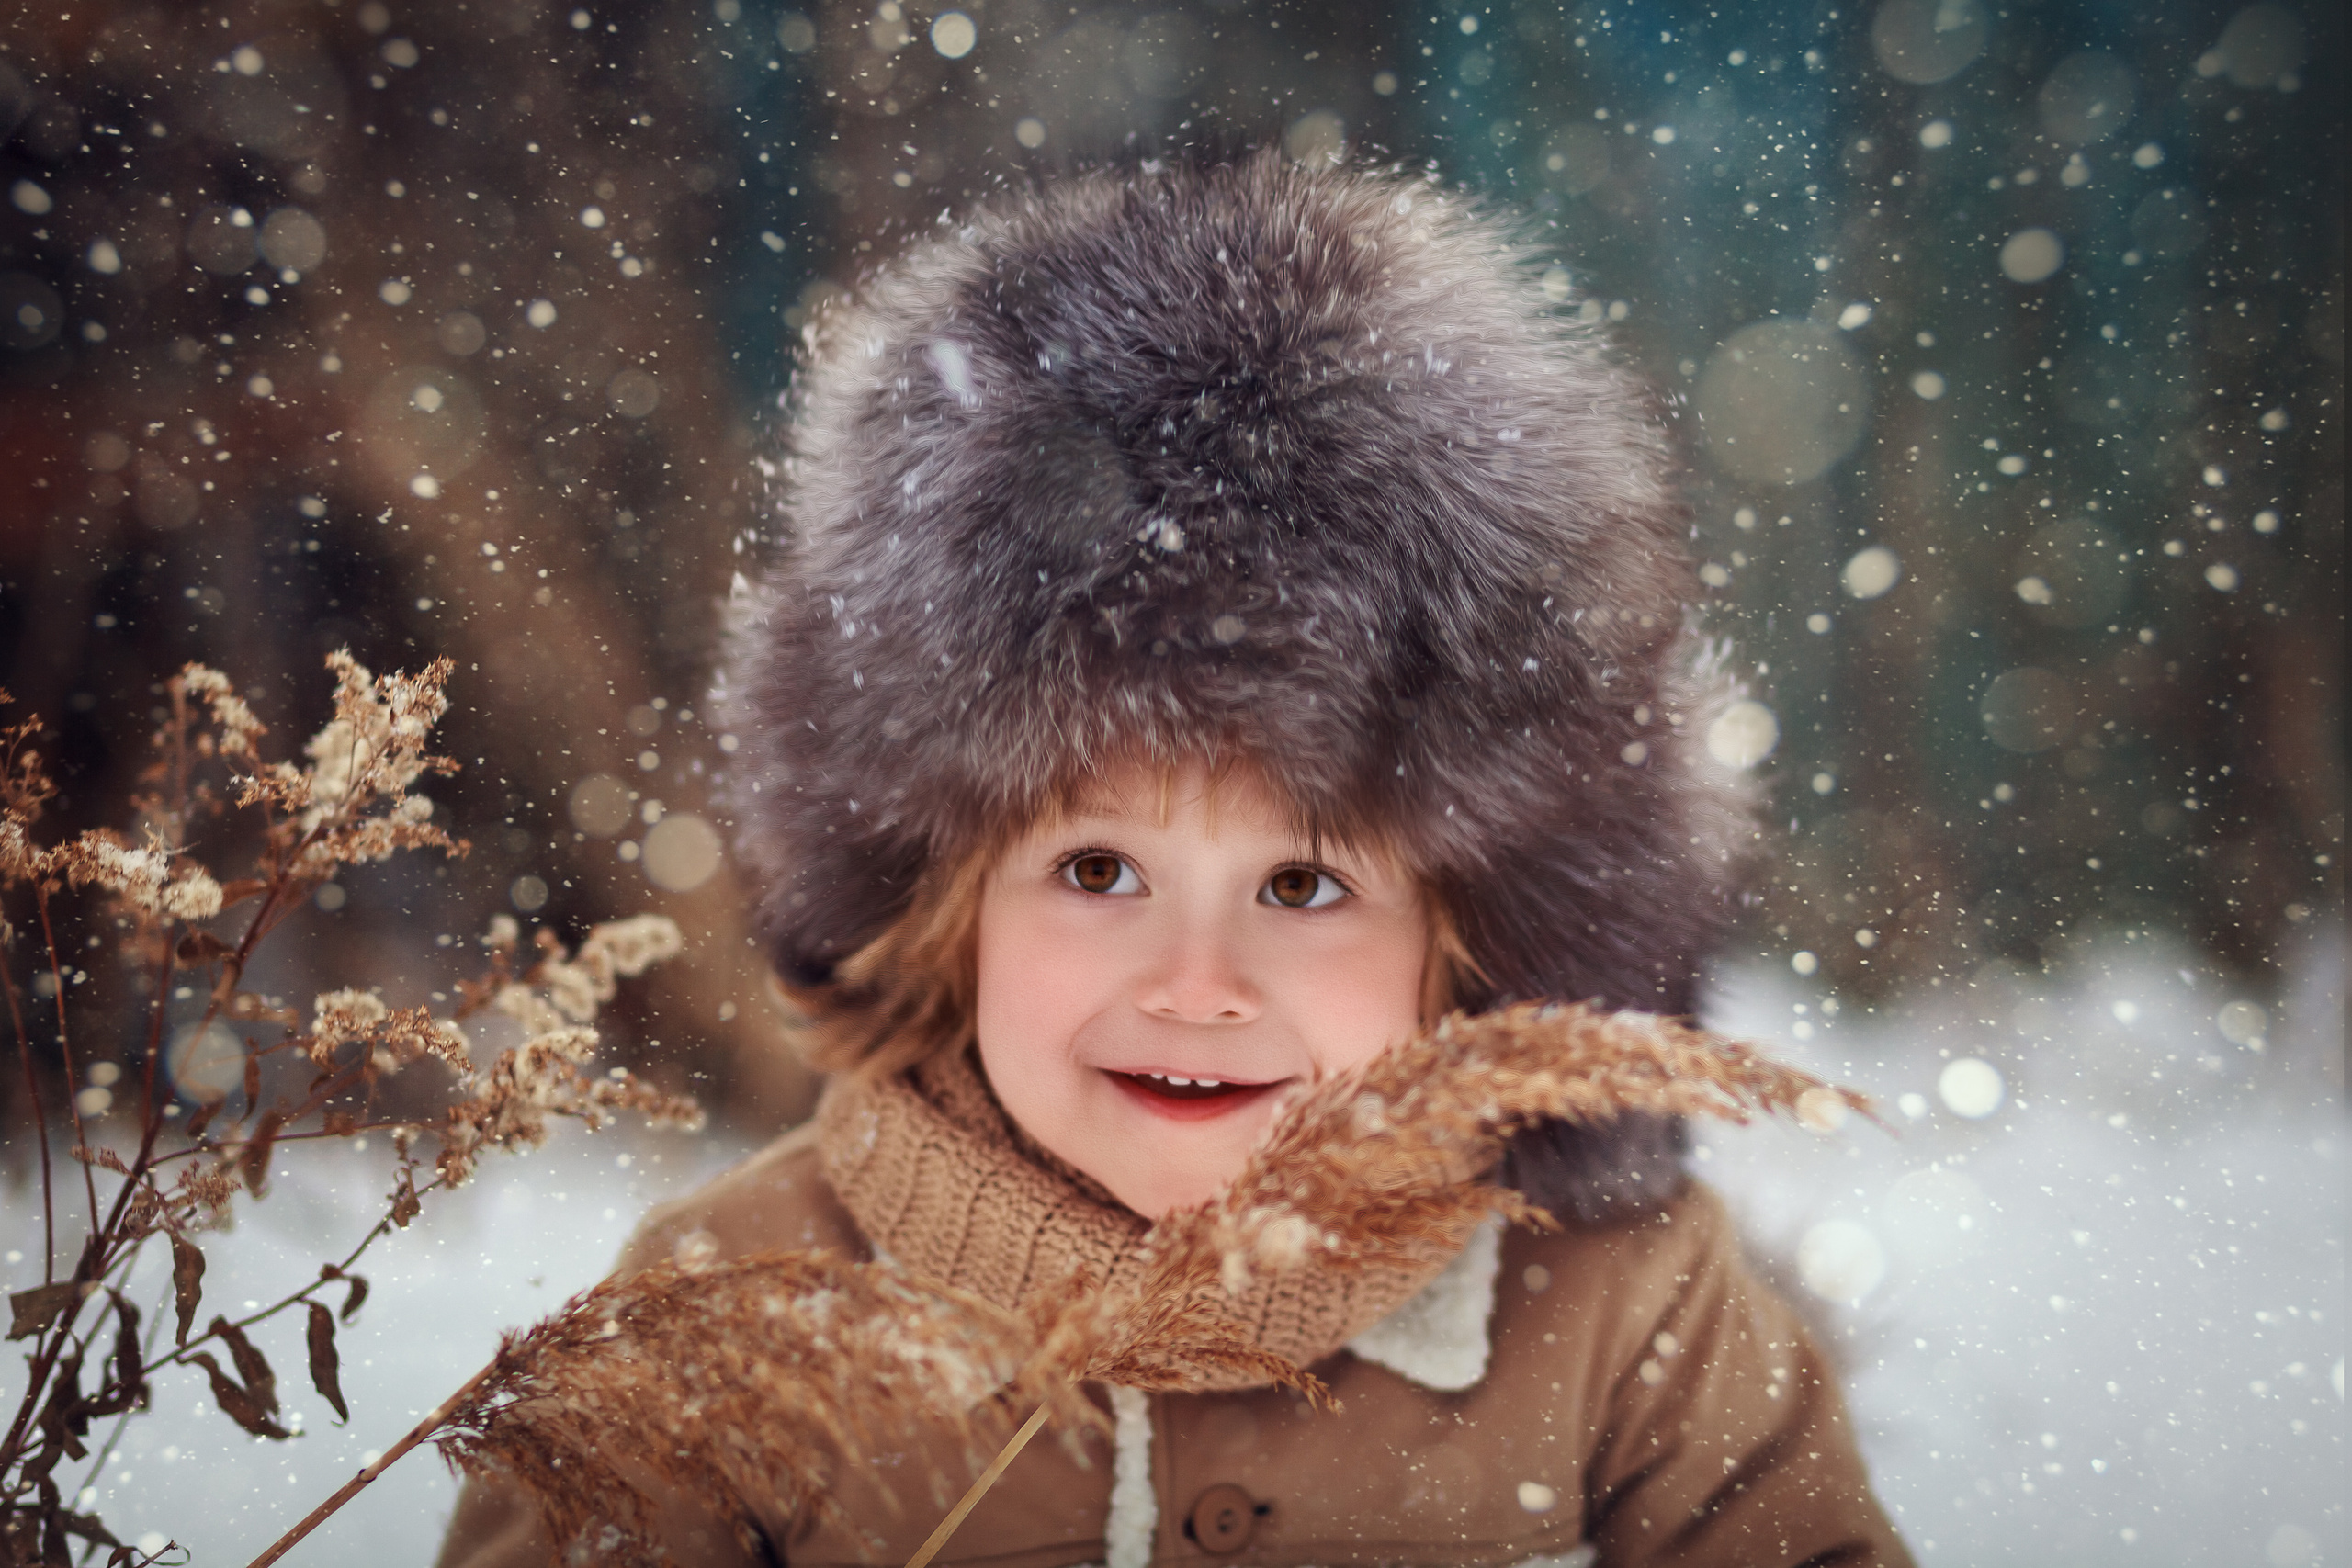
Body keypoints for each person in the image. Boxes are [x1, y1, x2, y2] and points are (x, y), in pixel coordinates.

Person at [437, 146, 1912, 1568]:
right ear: (940, 907)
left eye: (1303, 886)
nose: (1198, 984)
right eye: (1096, 873)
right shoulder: (728, 1319)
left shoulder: (1619, 1312)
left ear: (1467, 946)